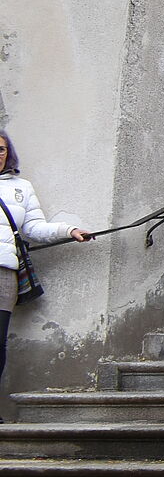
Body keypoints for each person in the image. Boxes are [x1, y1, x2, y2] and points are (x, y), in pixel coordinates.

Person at [0, 130, 92, 388]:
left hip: (4, 272)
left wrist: (68, 230)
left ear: (8, 154)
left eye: (1, 149)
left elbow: (34, 228)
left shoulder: (21, 187)